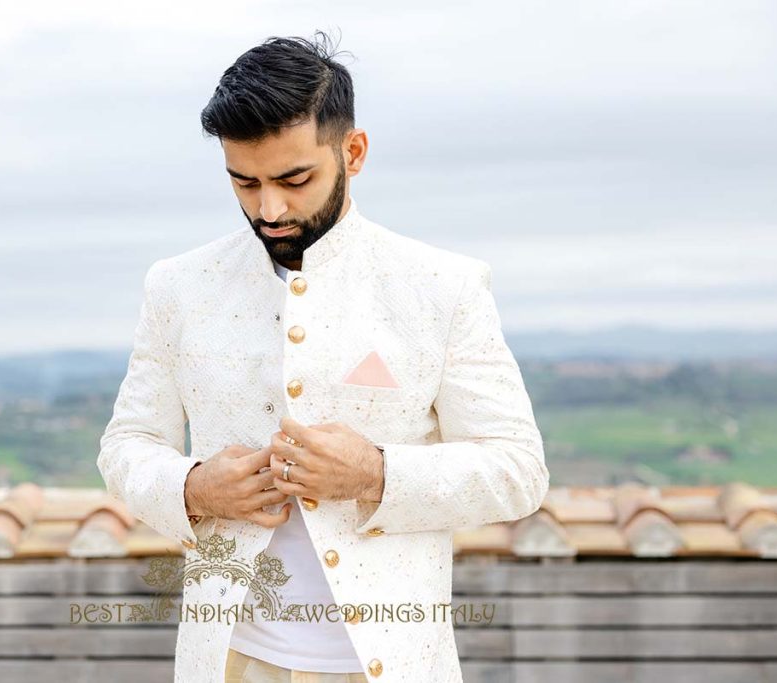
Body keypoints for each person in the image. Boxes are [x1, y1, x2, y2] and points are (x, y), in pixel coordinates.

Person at [97, 30, 549, 683]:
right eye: (244, 182)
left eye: (294, 178)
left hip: (393, 665)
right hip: (229, 660)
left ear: (353, 151)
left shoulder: (442, 286)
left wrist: (376, 473)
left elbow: (519, 470)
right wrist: (193, 486)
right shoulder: (177, 286)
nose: (269, 208)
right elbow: (127, 445)